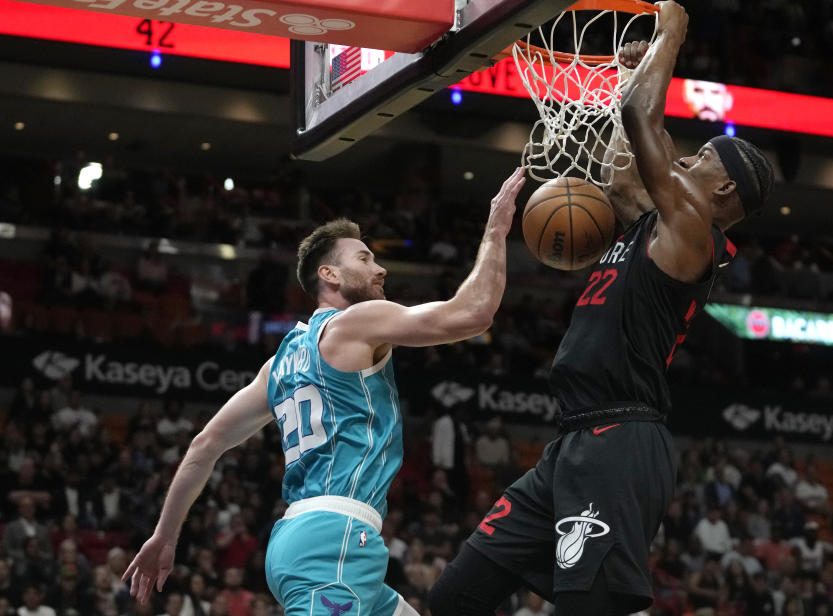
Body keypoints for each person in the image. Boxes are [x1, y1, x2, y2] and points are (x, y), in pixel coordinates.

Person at [430, 1, 774, 616]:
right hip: (574, 440)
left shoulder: (695, 232)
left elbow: (646, 121)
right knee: (456, 596)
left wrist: (672, 35)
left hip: (622, 441)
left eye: (698, 162)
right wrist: (625, 76)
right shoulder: (660, 223)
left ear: (722, 190)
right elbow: (619, 176)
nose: (685, 162)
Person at [120, 168, 527, 613]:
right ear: (329, 274)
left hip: (310, 539)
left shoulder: (276, 366)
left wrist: (165, 535)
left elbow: (205, 444)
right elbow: (473, 314)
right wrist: (497, 229)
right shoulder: (356, 322)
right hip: (333, 540)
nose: (381, 267)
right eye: (365, 258)